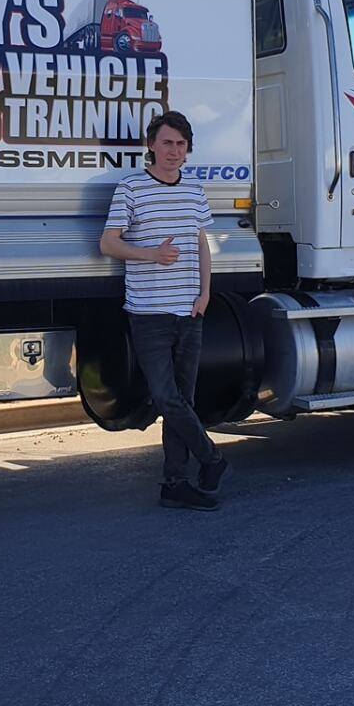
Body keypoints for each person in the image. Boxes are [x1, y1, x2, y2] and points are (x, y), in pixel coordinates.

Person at [99, 111, 229, 511]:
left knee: (182, 402)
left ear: (188, 149)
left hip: (190, 311)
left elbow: (201, 243)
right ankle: (212, 457)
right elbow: (108, 243)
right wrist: (151, 255)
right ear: (151, 145)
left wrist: (206, 293)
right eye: (167, 143)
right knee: (165, 396)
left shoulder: (193, 188)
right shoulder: (132, 188)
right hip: (150, 313)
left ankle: (175, 484)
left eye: (181, 144)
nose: (174, 151)